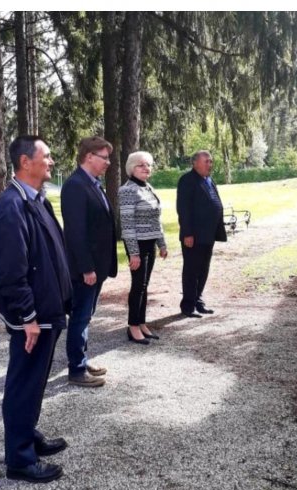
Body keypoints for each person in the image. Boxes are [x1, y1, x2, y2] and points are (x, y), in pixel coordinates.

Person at [0, 136, 71, 482]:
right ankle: (20, 460)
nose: (51, 162)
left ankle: (27, 434)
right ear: (25, 162)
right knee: (24, 384)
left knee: (35, 381)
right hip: (34, 317)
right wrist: (27, 318)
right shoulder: (11, 205)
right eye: (46, 156)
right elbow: (11, 272)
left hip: (47, 311)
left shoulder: (37, 200)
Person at [61, 136, 117, 387]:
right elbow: (76, 231)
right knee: (81, 315)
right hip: (86, 268)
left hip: (97, 266)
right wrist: (86, 268)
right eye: (104, 157)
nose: (108, 162)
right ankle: (76, 369)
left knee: (87, 315)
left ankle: (81, 358)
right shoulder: (75, 185)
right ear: (89, 156)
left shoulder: (92, 183)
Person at [119, 151, 168, 344]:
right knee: (138, 286)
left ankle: (141, 322)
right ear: (131, 168)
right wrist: (134, 253)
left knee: (144, 285)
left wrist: (162, 244)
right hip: (137, 243)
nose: (146, 168)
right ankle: (132, 326)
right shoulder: (128, 190)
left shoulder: (148, 187)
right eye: (141, 165)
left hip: (150, 242)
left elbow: (156, 219)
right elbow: (127, 223)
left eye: (148, 165)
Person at [176, 150, 227, 318]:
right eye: (206, 161)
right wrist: (187, 234)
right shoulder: (187, 180)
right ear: (195, 163)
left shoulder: (209, 180)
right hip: (193, 236)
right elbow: (184, 210)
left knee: (203, 269)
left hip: (208, 234)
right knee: (191, 270)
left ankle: (198, 301)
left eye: (211, 161)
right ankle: (188, 306)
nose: (209, 164)